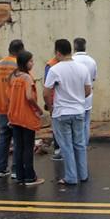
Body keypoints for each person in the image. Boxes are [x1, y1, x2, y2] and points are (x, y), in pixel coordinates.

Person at [43, 39, 92, 185]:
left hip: (61, 112)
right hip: (79, 111)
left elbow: (46, 92)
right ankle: (83, 174)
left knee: (66, 146)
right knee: (80, 144)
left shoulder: (55, 70)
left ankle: (71, 177)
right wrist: (78, 99)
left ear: (58, 52)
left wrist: (50, 107)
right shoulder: (83, 68)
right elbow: (88, 90)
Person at [7, 50, 45, 186]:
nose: (32, 63)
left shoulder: (13, 76)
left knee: (18, 147)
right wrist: (39, 109)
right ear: (25, 63)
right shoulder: (27, 78)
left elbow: (9, 96)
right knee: (28, 147)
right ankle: (30, 177)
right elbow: (29, 96)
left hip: (14, 116)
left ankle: (19, 176)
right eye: (31, 61)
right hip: (26, 116)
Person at [0, 39, 24, 178]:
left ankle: (0, 169)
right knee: (18, 140)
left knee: (2, 138)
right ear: (21, 51)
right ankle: (15, 170)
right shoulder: (19, 66)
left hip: (1, 108)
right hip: (15, 108)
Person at [72, 37, 98, 146]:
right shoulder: (92, 61)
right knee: (86, 123)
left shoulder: (72, 60)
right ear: (85, 46)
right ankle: (84, 146)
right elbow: (93, 79)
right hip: (87, 97)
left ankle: (76, 146)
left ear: (74, 46)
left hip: (73, 97)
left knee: (75, 125)